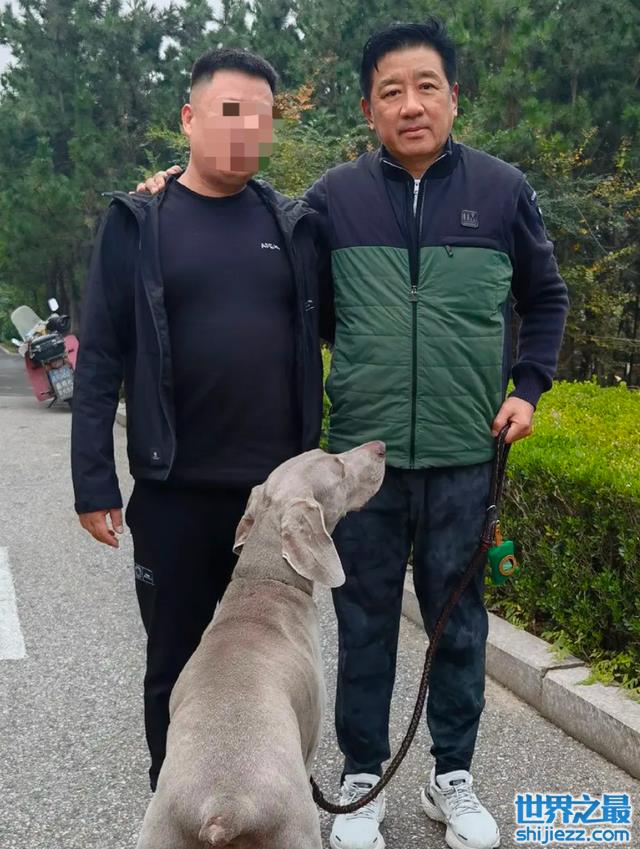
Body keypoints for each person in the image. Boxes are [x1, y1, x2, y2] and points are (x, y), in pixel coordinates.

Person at [138, 18, 570, 849]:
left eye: (427, 87)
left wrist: (528, 386)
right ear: (369, 109)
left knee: (459, 625)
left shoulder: (503, 189)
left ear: (453, 97)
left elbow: (545, 297)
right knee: (364, 624)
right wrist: (176, 189)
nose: (411, 105)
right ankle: (362, 775)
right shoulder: (334, 198)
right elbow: (259, 248)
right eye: (391, 92)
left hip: (465, 453)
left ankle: (452, 776)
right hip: (363, 467)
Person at [71, 47, 329, 792]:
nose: (246, 128)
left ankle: (267, 801)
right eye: (228, 112)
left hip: (274, 504)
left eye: (261, 117)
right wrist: (94, 480)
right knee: (176, 668)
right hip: (175, 495)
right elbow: (100, 357)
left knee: (276, 667)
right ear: (189, 118)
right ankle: (175, 802)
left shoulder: (292, 226)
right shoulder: (138, 223)